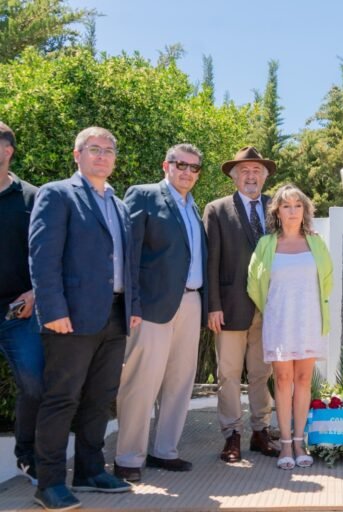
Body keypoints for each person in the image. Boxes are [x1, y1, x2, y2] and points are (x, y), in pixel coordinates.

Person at [29, 127, 140, 510]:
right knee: (62, 398)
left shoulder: (119, 204)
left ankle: (91, 470)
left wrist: (133, 307)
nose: (102, 156)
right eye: (94, 149)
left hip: (114, 314)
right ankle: (49, 482)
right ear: (76, 154)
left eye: (109, 150)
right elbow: (42, 258)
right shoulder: (58, 194)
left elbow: (126, 263)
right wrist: (53, 310)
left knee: (100, 397)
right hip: (71, 318)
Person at [114, 144, 208, 482]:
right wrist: (132, 304)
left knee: (180, 383)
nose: (186, 171)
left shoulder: (194, 209)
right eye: (180, 164)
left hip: (191, 302)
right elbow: (129, 254)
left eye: (194, 168)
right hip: (151, 306)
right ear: (165, 164)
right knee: (141, 381)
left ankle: (164, 451)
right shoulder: (143, 195)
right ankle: (127, 457)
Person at [247, 184, 332, 470]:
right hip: (279, 321)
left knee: (304, 381)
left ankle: (300, 441)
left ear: (305, 211)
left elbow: (327, 279)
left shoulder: (316, 243)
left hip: (309, 319)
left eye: (298, 205)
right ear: (277, 211)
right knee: (283, 381)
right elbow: (255, 285)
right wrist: (274, 309)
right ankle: (284, 444)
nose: (293, 211)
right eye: (286, 206)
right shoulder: (266, 244)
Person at [203, 147, 278, 463]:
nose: (251, 176)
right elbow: (210, 263)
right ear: (234, 176)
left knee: (261, 373)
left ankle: (260, 431)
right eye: (245, 170)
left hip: (270, 308)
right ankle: (231, 435)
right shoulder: (217, 209)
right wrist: (212, 305)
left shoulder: (278, 207)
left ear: (264, 176)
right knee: (229, 374)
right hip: (230, 308)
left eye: (256, 171)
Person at [0, 121, 44, 484]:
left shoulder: (32, 197)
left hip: (18, 312)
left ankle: (27, 457)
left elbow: (46, 254)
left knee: (35, 384)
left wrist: (34, 293)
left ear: (8, 149)